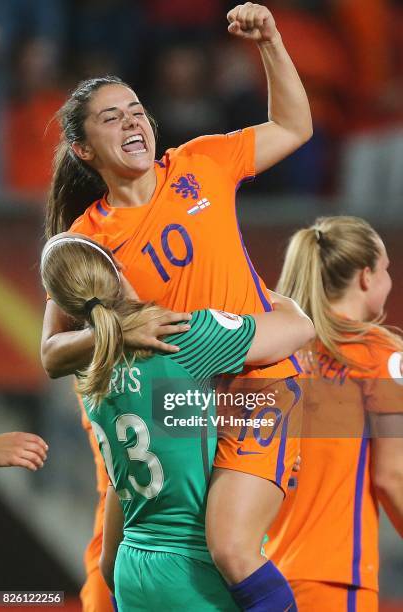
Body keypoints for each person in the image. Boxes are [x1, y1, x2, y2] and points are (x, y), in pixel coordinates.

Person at [41, 4, 313, 610]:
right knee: (154, 561)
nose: (133, 122)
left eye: (137, 109)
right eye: (112, 118)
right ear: (85, 150)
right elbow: (51, 352)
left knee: (230, 548)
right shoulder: (87, 239)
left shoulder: (204, 162)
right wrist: (125, 332)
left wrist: (269, 40)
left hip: (253, 378)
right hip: (180, 404)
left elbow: (295, 127)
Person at [40, 232, 314, 611]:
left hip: (130, 568)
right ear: (118, 269)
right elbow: (299, 328)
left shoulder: (87, 372)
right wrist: (246, 288)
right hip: (194, 570)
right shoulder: (181, 337)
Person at [264, 216, 403, 611]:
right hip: (334, 577)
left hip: (258, 576)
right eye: (387, 270)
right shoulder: (378, 354)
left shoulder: (274, 353)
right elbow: (392, 477)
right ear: (366, 277)